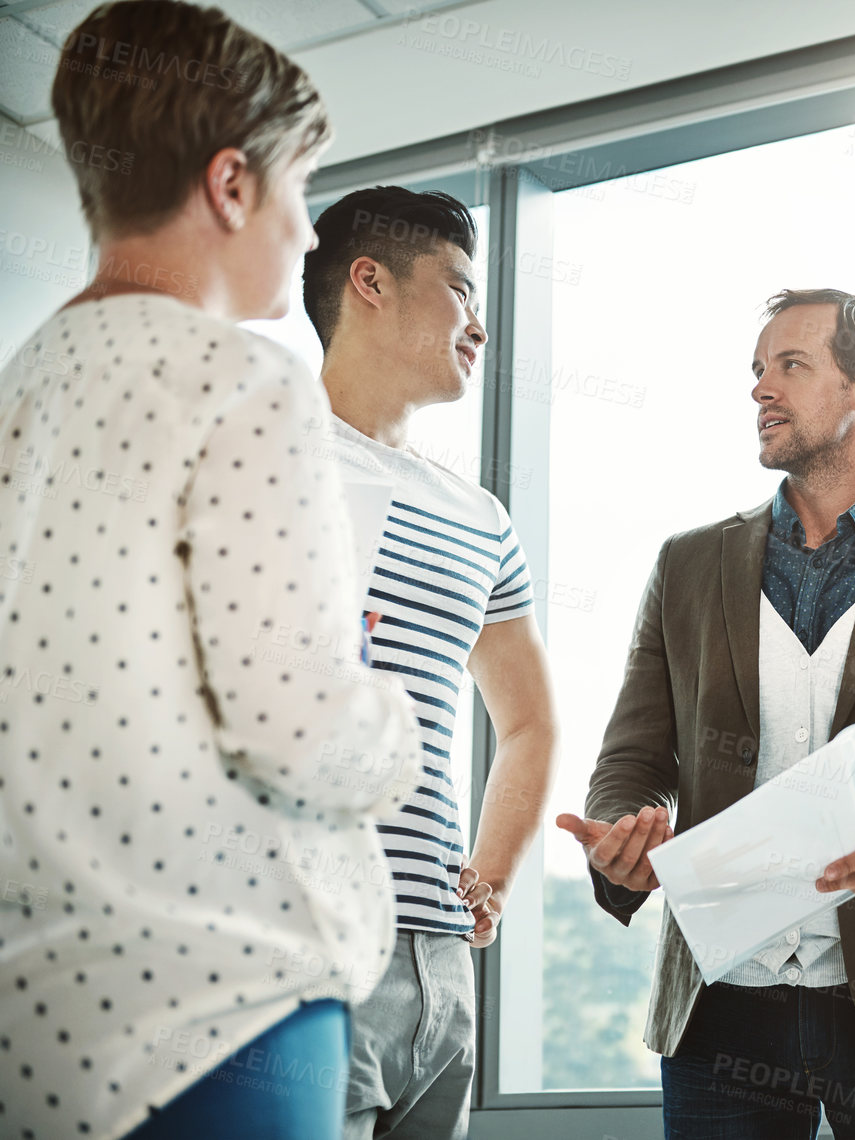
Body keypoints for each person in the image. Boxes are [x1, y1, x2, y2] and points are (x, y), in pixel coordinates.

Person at [0, 4, 426, 1139]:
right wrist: (389, 716)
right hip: (221, 1010)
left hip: (39, 1025)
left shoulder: (19, 387)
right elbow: (295, 722)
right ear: (233, 185)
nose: (304, 235)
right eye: (300, 192)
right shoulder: (245, 381)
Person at [554, 288, 855, 1138]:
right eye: (756, 369)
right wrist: (621, 834)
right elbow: (632, 760)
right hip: (719, 1012)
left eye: (790, 364)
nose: (760, 389)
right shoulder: (687, 564)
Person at [301, 186, 558, 1140]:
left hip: (439, 967)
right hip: (304, 941)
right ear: (369, 282)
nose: (478, 324)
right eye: (458, 289)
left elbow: (527, 721)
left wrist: (487, 874)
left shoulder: (481, 516)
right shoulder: (251, 458)